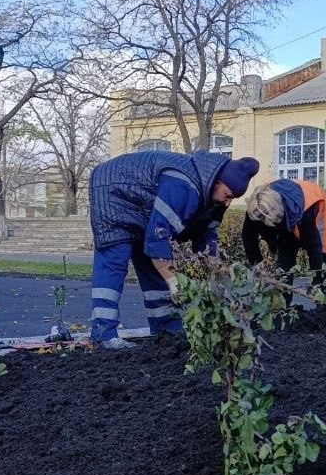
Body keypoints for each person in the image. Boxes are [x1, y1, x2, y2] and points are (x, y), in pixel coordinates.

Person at [88, 148, 260, 349]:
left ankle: (166, 328)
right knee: (114, 260)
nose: (228, 202)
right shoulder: (183, 184)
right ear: (218, 182)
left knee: (152, 263)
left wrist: (218, 277)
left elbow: (207, 238)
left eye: (233, 198)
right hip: (113, 190)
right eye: (228, 195)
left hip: (142, 204)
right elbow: (159, 237)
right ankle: (103, 334)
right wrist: (173, 282)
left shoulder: (213, 199)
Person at [242, 178, 326, 281]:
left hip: (323, 211)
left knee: (324, 262)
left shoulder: (306, 211)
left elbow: (315, 247)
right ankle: (283, 294)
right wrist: (257, 263)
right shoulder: (256, 206)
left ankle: (324, 289)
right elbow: (248, 236)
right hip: (287, 211)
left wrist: (317, 282)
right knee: (284, 264)